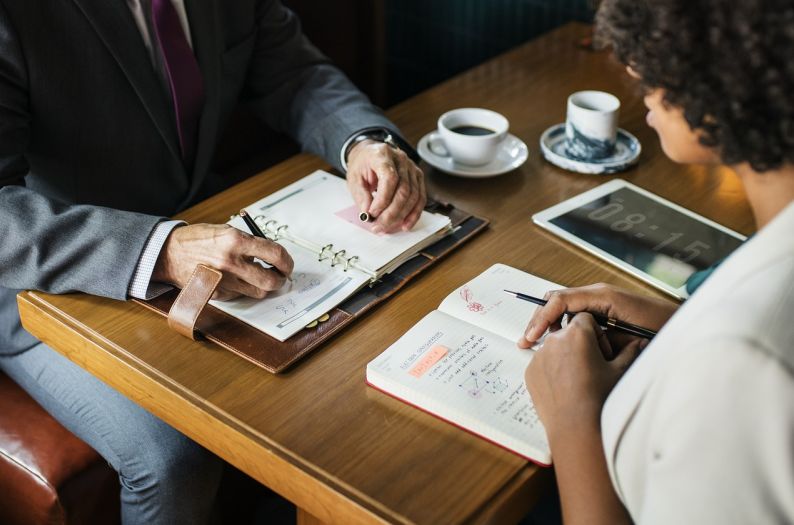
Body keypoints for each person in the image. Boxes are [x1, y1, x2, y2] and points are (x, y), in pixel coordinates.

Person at [0, 1, 425, 523]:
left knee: (357, 355)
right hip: (52, 280)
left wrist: (361, 141)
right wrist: (164, 249)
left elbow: (292, 70)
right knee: (174, 457)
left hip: (211, 224)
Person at [519, 0, 794, 523]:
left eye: (653, 40)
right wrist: (679, 326)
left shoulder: (745, 364)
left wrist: (574, 418)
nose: (631, 67)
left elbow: (751, 364)